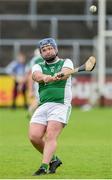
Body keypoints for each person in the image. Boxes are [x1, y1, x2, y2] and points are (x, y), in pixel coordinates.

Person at [29, 38, 74, 175]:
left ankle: (43, 167)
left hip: (60, 105)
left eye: (50, 48)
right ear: (41, 54)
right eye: (44, 50)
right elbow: (36, 76)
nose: (48, 52)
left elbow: (66, 73)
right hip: (43, 105)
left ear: (55, 49)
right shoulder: (38, 65)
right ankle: (54, 160)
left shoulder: (66, 62)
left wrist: (60, 75)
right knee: (34, 137)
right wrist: (45, 77)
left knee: (50, 135)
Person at [25, 49, 44, 117]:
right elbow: (30, 75)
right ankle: (31, 111)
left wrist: (30, 90)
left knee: (40, 100)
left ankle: (33, 112)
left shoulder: (34, 60)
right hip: (40, 82)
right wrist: (30, 90)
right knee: (40, 100)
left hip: (40, 82)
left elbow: (29, 75)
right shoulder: (36, 60)